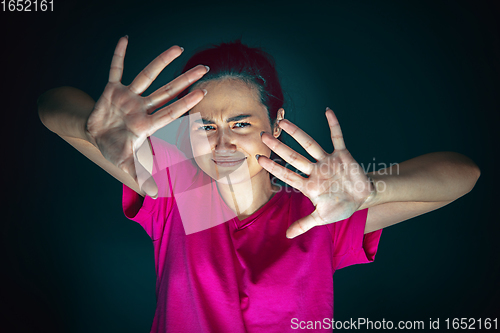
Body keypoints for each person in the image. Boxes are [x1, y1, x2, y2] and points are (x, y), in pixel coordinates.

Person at [38, 36, 480, 332]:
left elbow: (463, 174)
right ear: (182, 131)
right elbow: (51, 105)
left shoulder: (317, 211)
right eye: (204, 125)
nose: (223, 140)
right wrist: (92, 126)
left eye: (241, 123)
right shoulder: (179, 190)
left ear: (277, 122)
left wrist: (372, 189)